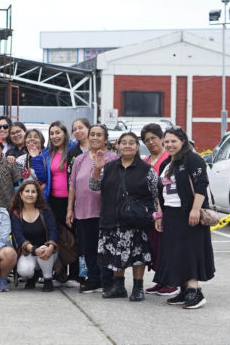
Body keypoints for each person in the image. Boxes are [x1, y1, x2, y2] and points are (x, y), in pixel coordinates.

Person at [90, 132, 159, 301]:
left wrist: (158, 215)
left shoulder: (147, 169)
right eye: (124, 143)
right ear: (118, 146)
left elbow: (156, 194)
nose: (127, 146)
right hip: (111, 217)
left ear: (137, 147)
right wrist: (97, 169)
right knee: (115, 254)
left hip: (137, 220)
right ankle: (118, 286)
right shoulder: (109, 166)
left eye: (131, 143)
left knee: (138, 255)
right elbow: (93, 186)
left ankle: (138, 288)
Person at [153, 127, 215, 309]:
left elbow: (201, 185)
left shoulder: (193, 159)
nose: (170, 145)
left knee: (190, 251)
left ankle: (195, 292)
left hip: (188, 212)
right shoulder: (166, 164)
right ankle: (183, 290)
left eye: (174, 141)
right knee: (175, 253)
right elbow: (160, 192)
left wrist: (195, 210)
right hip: (171, 213)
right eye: (167, 142)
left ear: (183, 141)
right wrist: (159, 215)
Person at [67, 123, 118, 294]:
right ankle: (93, 279)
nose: (95, 137)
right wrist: (70, 209)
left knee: (105, 247)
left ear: (105, 139)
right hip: (82, 210)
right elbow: (72, 185)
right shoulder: (80, 159)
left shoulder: (113, 158)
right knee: (88, 248)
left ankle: (108, 280)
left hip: (105, 212)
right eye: (92, 134)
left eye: (99, 135)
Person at [31, 120, 79, 284]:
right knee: (57, 236)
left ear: (65, 134)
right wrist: (36, 158)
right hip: (53, 200)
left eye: (58, 132)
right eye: (52, 133)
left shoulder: (74, 150)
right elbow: (42, 177)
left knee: (72, 237)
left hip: (71, 200)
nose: (55, 136)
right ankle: (59, 273)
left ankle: (74, 275)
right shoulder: (48, 153)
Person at [139, 123, 176, 296]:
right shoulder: (145, 160)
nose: (150, 142)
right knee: (153, 247)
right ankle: (160, 280)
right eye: (147, 140)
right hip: (148, 211)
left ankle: (171, 282)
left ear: (161, 138)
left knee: (166, 246)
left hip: (166, 209)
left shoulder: (169, 158)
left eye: (153, 138)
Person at [10, 179, 59, 291]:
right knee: (24, 270)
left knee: (43, 249)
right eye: (27, 191)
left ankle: (47, 279)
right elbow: (19, 236)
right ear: (21, 194)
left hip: (49, 252)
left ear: (38, 194)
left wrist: (51, 247)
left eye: (33, 192)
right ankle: (33, 276)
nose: (30, 194)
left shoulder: (45, 210)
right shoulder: (16, 213)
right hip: (29, 251)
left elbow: (53, 231)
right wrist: (33, 249)